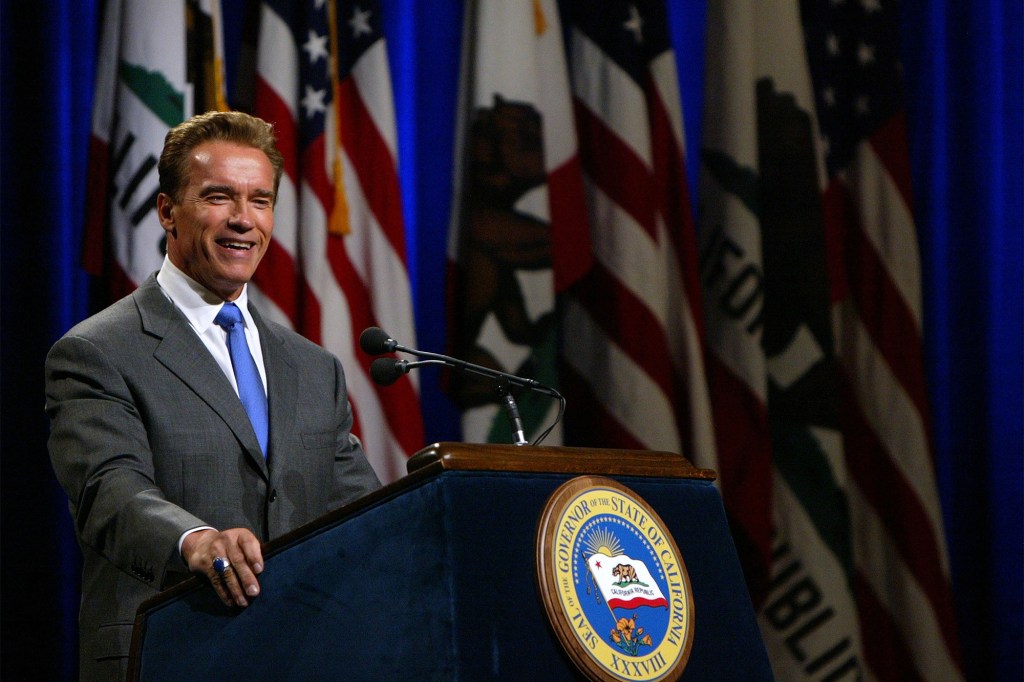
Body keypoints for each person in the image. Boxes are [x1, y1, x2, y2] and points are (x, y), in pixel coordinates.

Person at [45, 111, 382, 681]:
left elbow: (364, 513)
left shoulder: (312, 366)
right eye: (219, 197)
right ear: (166, 212)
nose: (243, 221)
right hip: (168, 652)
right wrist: (195, 539)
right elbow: (110, 489)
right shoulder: (97, 351)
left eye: (260, 200)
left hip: (300, 657)